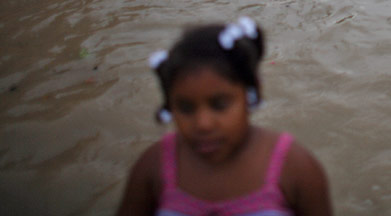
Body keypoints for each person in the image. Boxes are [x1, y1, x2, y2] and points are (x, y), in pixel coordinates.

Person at [115, 17, 333, 216]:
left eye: (219, 105)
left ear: (251, 93)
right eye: (185, 108)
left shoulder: (294, 168)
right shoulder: (154, 168)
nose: (203, 124)